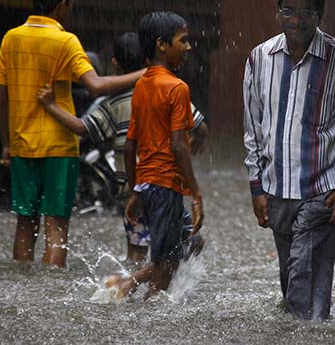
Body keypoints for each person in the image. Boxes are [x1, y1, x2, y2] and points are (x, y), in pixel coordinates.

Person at [243, 0, 335, 320]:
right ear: (278, 13)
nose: (297, 20)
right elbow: (253, 130)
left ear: (319, 15)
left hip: (324, 191)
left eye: (306, 12)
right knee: (293, 279)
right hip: (276, 191)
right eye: (289, 11)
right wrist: (257, 187)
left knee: (305, 279)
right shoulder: (259, 58)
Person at [0, 0, 143, 267]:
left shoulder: (11, 38)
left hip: (22, 145)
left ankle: (23, 286)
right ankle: (49, 297)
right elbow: (96, 85)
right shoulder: (65, 41)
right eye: (70, 5)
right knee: (56, 228)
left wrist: (7, 145)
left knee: (25, 223)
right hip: (59, 147)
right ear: (62, 4)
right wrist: (145, 72)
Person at [36, 31, 209, 267]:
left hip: (132, 193)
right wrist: (198, 140)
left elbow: (80, 128)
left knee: (136, 256)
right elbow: (200, 125)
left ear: (115, 64)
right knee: (189, 241)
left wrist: (51, 105)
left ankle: (130, 286)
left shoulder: (113, 105)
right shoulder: (167, 90)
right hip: (164, 186)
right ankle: (164, 284)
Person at [124, 11, 204, 298]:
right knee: (165, 269)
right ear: (162, 45)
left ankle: (128, 286)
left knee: (182, 248)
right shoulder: (177, 88)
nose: (188, 47)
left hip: (147, 185)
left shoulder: (142, 85)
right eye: (183, 41)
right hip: (166, 186)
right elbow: (179, 146)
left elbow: (129, 146)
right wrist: (195, 192)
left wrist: (135, 190)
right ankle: (139, 308)